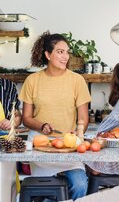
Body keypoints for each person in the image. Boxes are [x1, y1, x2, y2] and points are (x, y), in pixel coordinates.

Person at [19, 31, 91, 200]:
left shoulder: (77, 80)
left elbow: (83, 117)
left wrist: (78, 134)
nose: (66, 56)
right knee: (46, 193)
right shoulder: (33, 80)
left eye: (67, 52)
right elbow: (26, 118)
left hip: (69, 147)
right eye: (60, 52)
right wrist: (41, 126)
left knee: (80, 184)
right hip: (41, 147)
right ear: (47, 55)